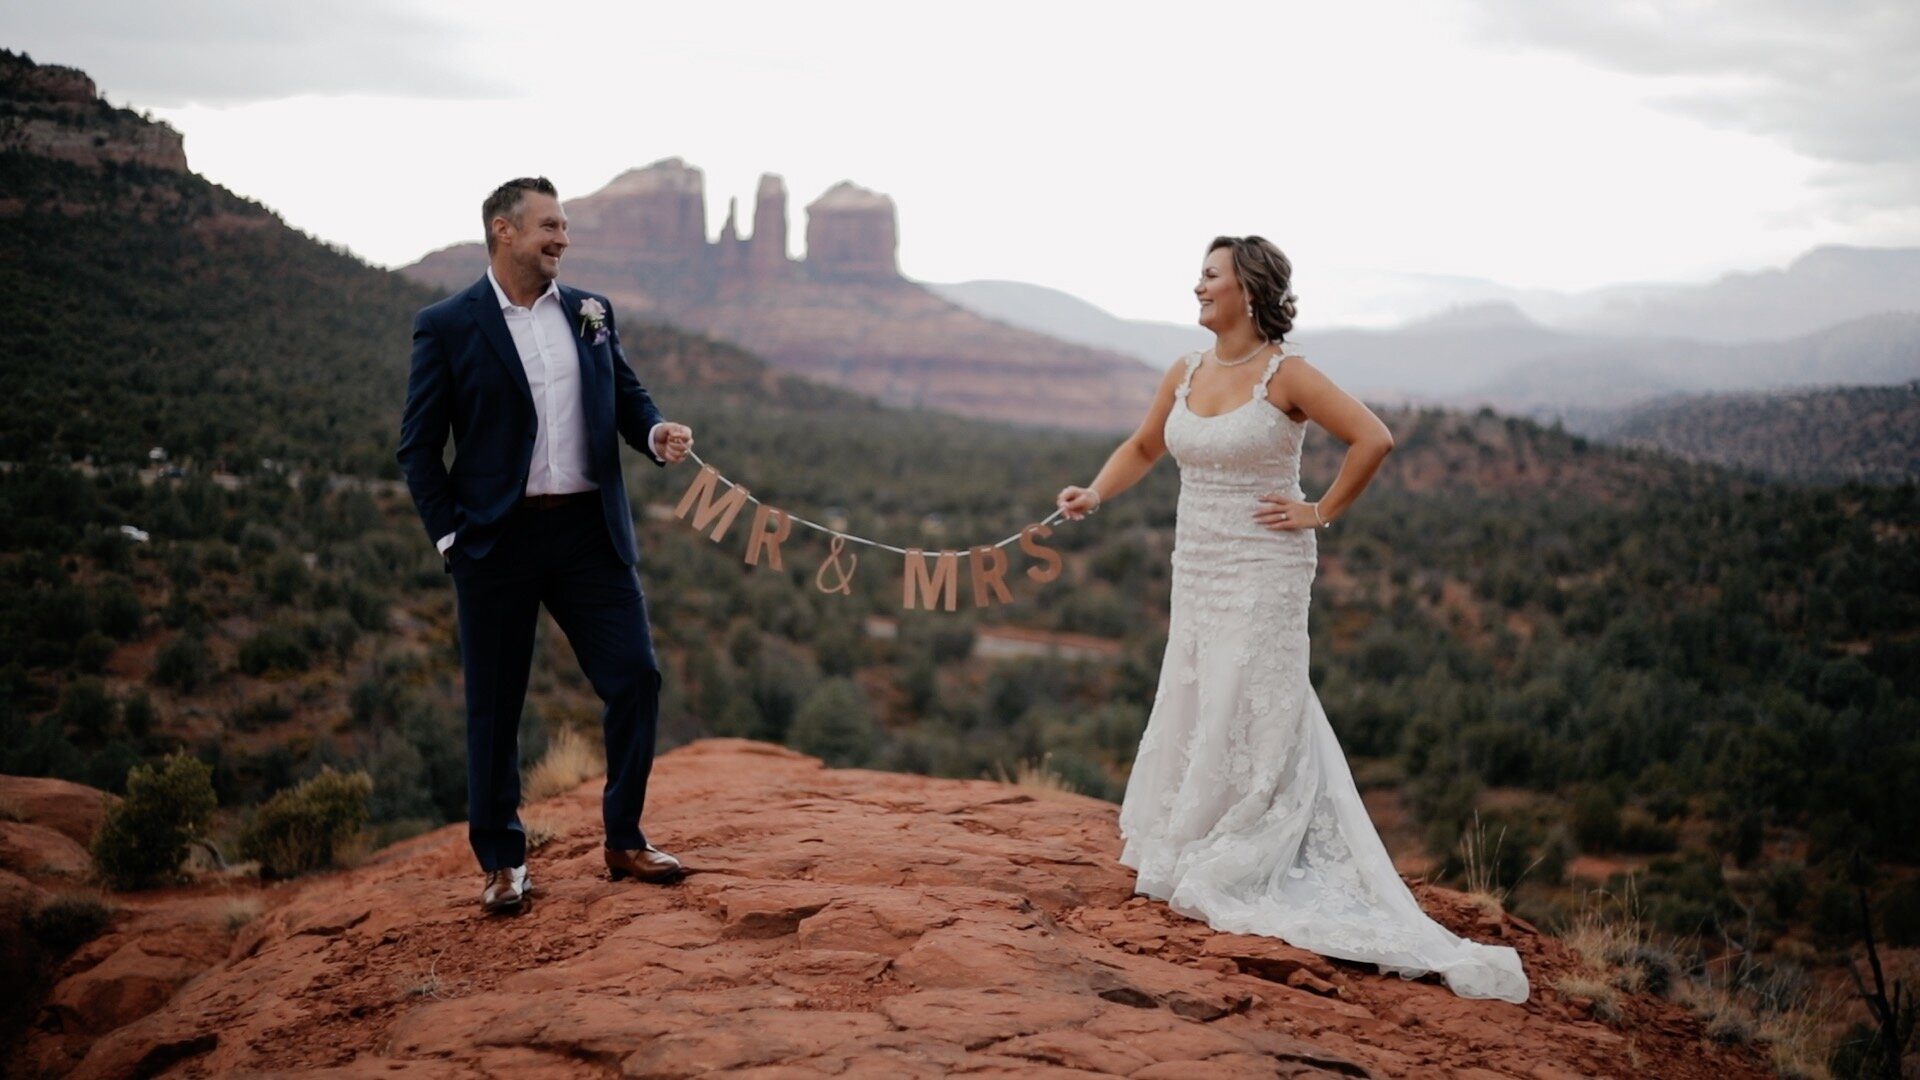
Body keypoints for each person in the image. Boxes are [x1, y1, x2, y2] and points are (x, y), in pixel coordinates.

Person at [1056, 236, 1529, 1002]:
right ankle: (1195, 835)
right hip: (1199, 565)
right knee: (1202, 690)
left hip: (1265, 567)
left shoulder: (1289, 374)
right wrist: (1094, 495)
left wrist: (1320, 511)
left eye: (1210, 276)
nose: (1198, 287)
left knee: (1256, 697)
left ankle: (1251, 844)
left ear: (1247, 290)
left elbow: (1373, 437)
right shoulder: (1184, 370)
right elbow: (1145, 445)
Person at [399, 177, 695, 914]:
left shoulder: (591, 312)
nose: (562, 238)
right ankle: (502, 861)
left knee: (635, 677)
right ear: (505, 232)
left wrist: (656, 433)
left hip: (589, 530)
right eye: (548, 226)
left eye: (564, 227)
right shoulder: (448, 323)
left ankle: (623, 839)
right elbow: (417, 447)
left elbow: (627, 396)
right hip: (495, 540)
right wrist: (452, 539)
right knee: (495, 705)